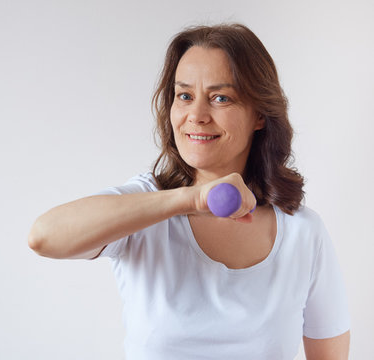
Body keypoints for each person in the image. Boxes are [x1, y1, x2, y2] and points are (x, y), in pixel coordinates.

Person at [28, 23, 350, 359]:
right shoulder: (146, 209)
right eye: (185, 96)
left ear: (259, 115)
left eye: (220, 98)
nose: (196, 115)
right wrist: (191, 199)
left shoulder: (303, 233)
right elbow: (43, 237)